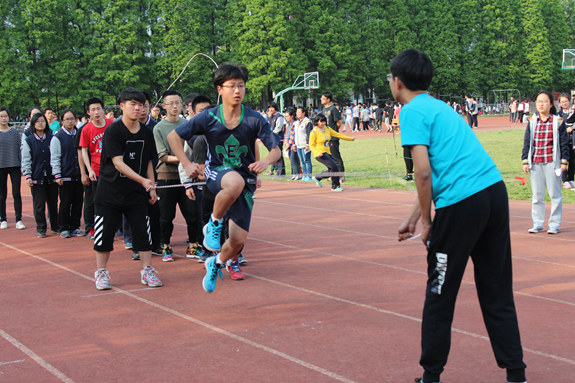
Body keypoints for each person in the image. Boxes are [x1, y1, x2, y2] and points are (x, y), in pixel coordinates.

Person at [391, 49, 526, 383]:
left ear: (397, 82)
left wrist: (426, 221)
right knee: (496, 290)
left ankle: (430, 376)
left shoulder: (410, 111)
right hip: (494, 193)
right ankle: (516, 374)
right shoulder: (441, 107)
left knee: (439, 291)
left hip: (462, 205)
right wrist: (413, 215)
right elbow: (442, 169)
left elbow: (422, 173)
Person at [168, 62, 281, 293]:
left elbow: (276, 149)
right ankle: (215, 224)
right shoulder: (208, 117)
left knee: (238, 241)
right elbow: (173, 137)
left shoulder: (254, 119)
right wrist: (187, 163)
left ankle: (216, 263)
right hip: (216, 173)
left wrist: (266, 161)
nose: (238, 91)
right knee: (234, 181)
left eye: (241, 86)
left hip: (246, 182)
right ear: (220, 89)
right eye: (232, 86)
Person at [92, 87, 162, 291]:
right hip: (109, 193)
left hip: (136, 194)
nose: (137, 108)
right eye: (133, 104)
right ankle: (101, 273)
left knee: (143, 234)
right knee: (104, 235)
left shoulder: (147, 132)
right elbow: (118, 163)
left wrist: (151, 187)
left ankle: (147, 270)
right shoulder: (113, 130)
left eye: (141, 105)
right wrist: (143, 181)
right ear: (122, 106)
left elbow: (149, 161)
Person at [153, 89, 203, 261]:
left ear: (183, 104)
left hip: (188, 177)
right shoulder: (159, 128)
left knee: (192, 213)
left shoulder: (188, 124)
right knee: (166, 215)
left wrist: (189, 163)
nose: (175, 106)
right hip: (167, 176)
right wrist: (186, 160)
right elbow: (163, 156)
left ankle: (193, 246)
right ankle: (166, 246)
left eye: (178, 102)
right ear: (164, 106)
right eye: (171, 103)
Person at [522, 90, 569, 234]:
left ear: (551, 104)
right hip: (535, 162)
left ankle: (554, 224)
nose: (541, 104)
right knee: (537, 195)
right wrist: (525, 161)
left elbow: (564, 142)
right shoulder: (532, 121)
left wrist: (564, 162)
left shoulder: (557, 121)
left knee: (555, 195)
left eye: (544, 101)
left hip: (552, 162)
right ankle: (537, 223)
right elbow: (527, 142)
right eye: (538, 101)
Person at [79, 97, 114, 239]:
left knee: (114, 199)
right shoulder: (86, 129)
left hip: (113, 170)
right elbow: (84, 151)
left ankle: (114, 226)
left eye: (99, 108)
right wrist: (89, 170)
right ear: (88, 113)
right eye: (93, 109)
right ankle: (93, 227)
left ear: (103, 110)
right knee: (95, 200)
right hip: (96, 170)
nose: (96, 112)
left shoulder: (112, 124)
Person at [21, 112, 59, 237]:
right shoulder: (29, 140)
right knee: (39, 205)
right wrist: (28, 176)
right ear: (33, 123)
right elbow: (26, 159)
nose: (41, 123)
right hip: (37, 177)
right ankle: (41, 228)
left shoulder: (52, 138)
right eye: (38, 121)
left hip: (51, 176)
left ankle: (55, 225)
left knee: (53, 203)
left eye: (43, 121)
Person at [50, 109, 85, 238]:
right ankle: (63, 227)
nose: (70, 121)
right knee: (65, 203)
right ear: (62, 121)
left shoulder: (80, 134)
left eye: (72, 119)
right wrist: (57, 175)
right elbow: (55, 157)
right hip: (65, 175)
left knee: (78, 202)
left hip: (79, 174)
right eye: (67, 119)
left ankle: (75, 226)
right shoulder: (58, 137)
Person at [309, 113, 354, 191]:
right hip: (320, 154)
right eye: (321, 121)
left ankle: (317, 177)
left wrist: (350, 138)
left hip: (328, 152)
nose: (323, 123)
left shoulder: (327, 128)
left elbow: (337, 134)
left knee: (332, 170)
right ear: (316, 121)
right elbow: (311, 145)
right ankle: (335, 186)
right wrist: (317, 153)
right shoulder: (314, 132)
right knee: (335, 167)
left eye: (324, 121)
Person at [0, 107, 25, 230]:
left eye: (5, 116)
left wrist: (21, 165)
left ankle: (18, 219)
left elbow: (19, 148)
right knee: (1, 194)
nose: (3, 118)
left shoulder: (15, 132)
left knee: (16, 193)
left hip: (14, 165)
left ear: (8, 117)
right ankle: (3, 219)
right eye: (1, 116)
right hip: (0, 166)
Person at [321, 92, 346, 181]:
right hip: (325, 137)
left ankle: (341, 176)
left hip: (332, 137)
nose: (321, 100)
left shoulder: (333, 109)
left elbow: (338, 123)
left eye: (323, 98)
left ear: (328, 99)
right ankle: (331, 174)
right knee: (329, 157)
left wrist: (333, 132)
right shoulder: (323, 109)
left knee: (336, 157)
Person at [558, 93, 575, 188]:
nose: (564, 103)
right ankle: (565, 180)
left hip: (573, 140)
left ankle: (571, 179)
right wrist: (565, 129)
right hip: (563, 141)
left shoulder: (573, 112)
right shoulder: (559, 114)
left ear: (569, 101)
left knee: (573, 160)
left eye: (566, 101)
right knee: (564, 160)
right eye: (562, 102)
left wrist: (572, 127)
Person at [294, 106, 313, 181]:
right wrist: (294, 144)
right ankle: (304, 175)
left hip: (305, 145)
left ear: (304, 113)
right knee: (302, 161)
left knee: (307, 160)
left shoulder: (307, 122)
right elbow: (295, 134)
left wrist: (308, 144)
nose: (297, 114)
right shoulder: (297, 122)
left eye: (299, 112)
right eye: (297, 112)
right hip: (298, 145)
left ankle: (309, 175)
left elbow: (309, 134)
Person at [266, 102, 285, 176]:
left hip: (278, 139)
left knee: (279, 156)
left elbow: (278, 128)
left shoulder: (279, 116)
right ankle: (278, 172)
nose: (270, 109)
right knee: (275, 156)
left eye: (272, 107)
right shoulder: (271, 116)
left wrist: (271, 134)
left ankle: (281, 173)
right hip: (272, 138)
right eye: (269, 107)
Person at [283, 107, 301, 180]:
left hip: (294, 145)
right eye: (285, 116)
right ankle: (294, 174)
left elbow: (294, 135)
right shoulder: (287, 125)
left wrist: (290, 144)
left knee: (294, 160)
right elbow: (286, 134)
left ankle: (297, 175)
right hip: (289, 145)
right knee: (292, 160)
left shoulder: (295, 123)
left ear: (292, 116)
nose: (286, 118)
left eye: (288, 116)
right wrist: (286, 143)